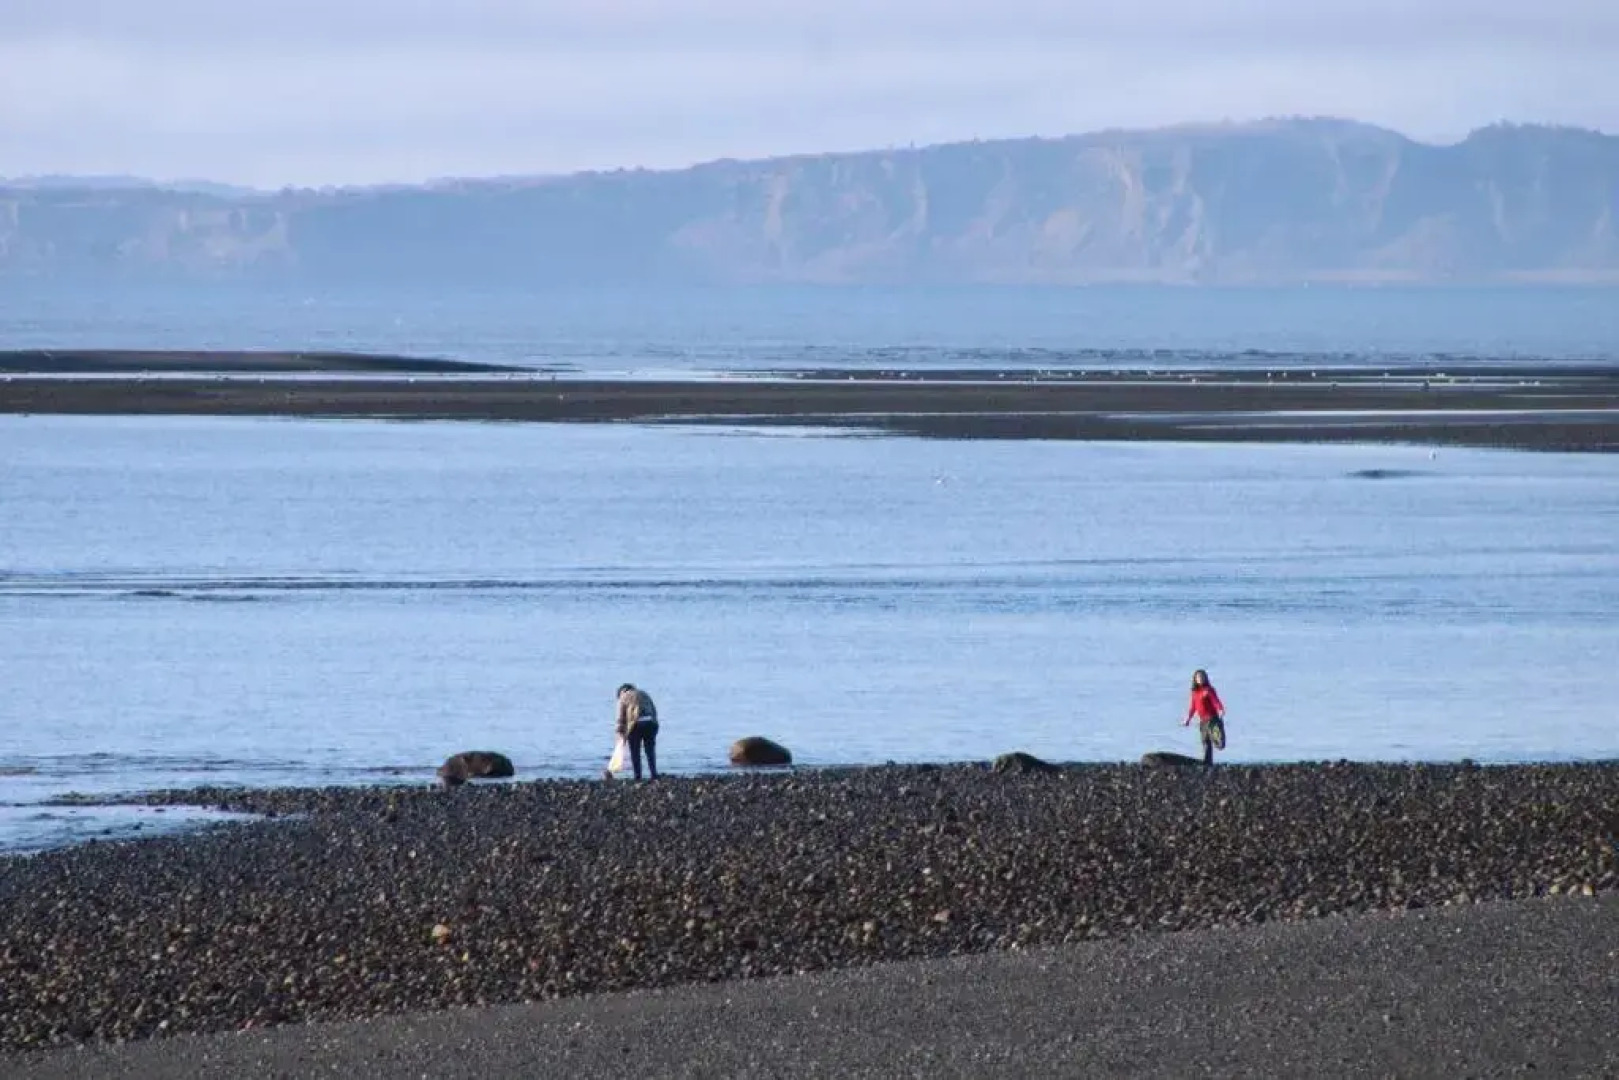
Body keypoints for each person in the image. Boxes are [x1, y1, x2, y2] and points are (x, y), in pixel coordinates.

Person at [1182, 668, 1226, 767]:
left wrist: (1220, 709)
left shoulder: (1209, 690)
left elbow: (1215, 701)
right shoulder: (1194, 692)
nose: (1200, 679)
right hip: (1203, 721)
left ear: (1205, 678)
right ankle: (1208, 764)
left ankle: (1219, 731)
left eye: (1202, 677)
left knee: (1220, 745)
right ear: (1195, 680)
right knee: (1205, 743)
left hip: (1212, 719)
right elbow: (1193, 707)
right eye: (1198, 677)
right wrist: (1188, 719)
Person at [615, 682, 659, 780]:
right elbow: (654, 711)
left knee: (635, 751)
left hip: (636, 724)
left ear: (622, 691)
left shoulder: (624, 696)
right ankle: (654, 774)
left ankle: (638, 776)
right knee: (650, 750)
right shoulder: (644, 693)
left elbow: (620, 719)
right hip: (650, 722)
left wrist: (620, 734)